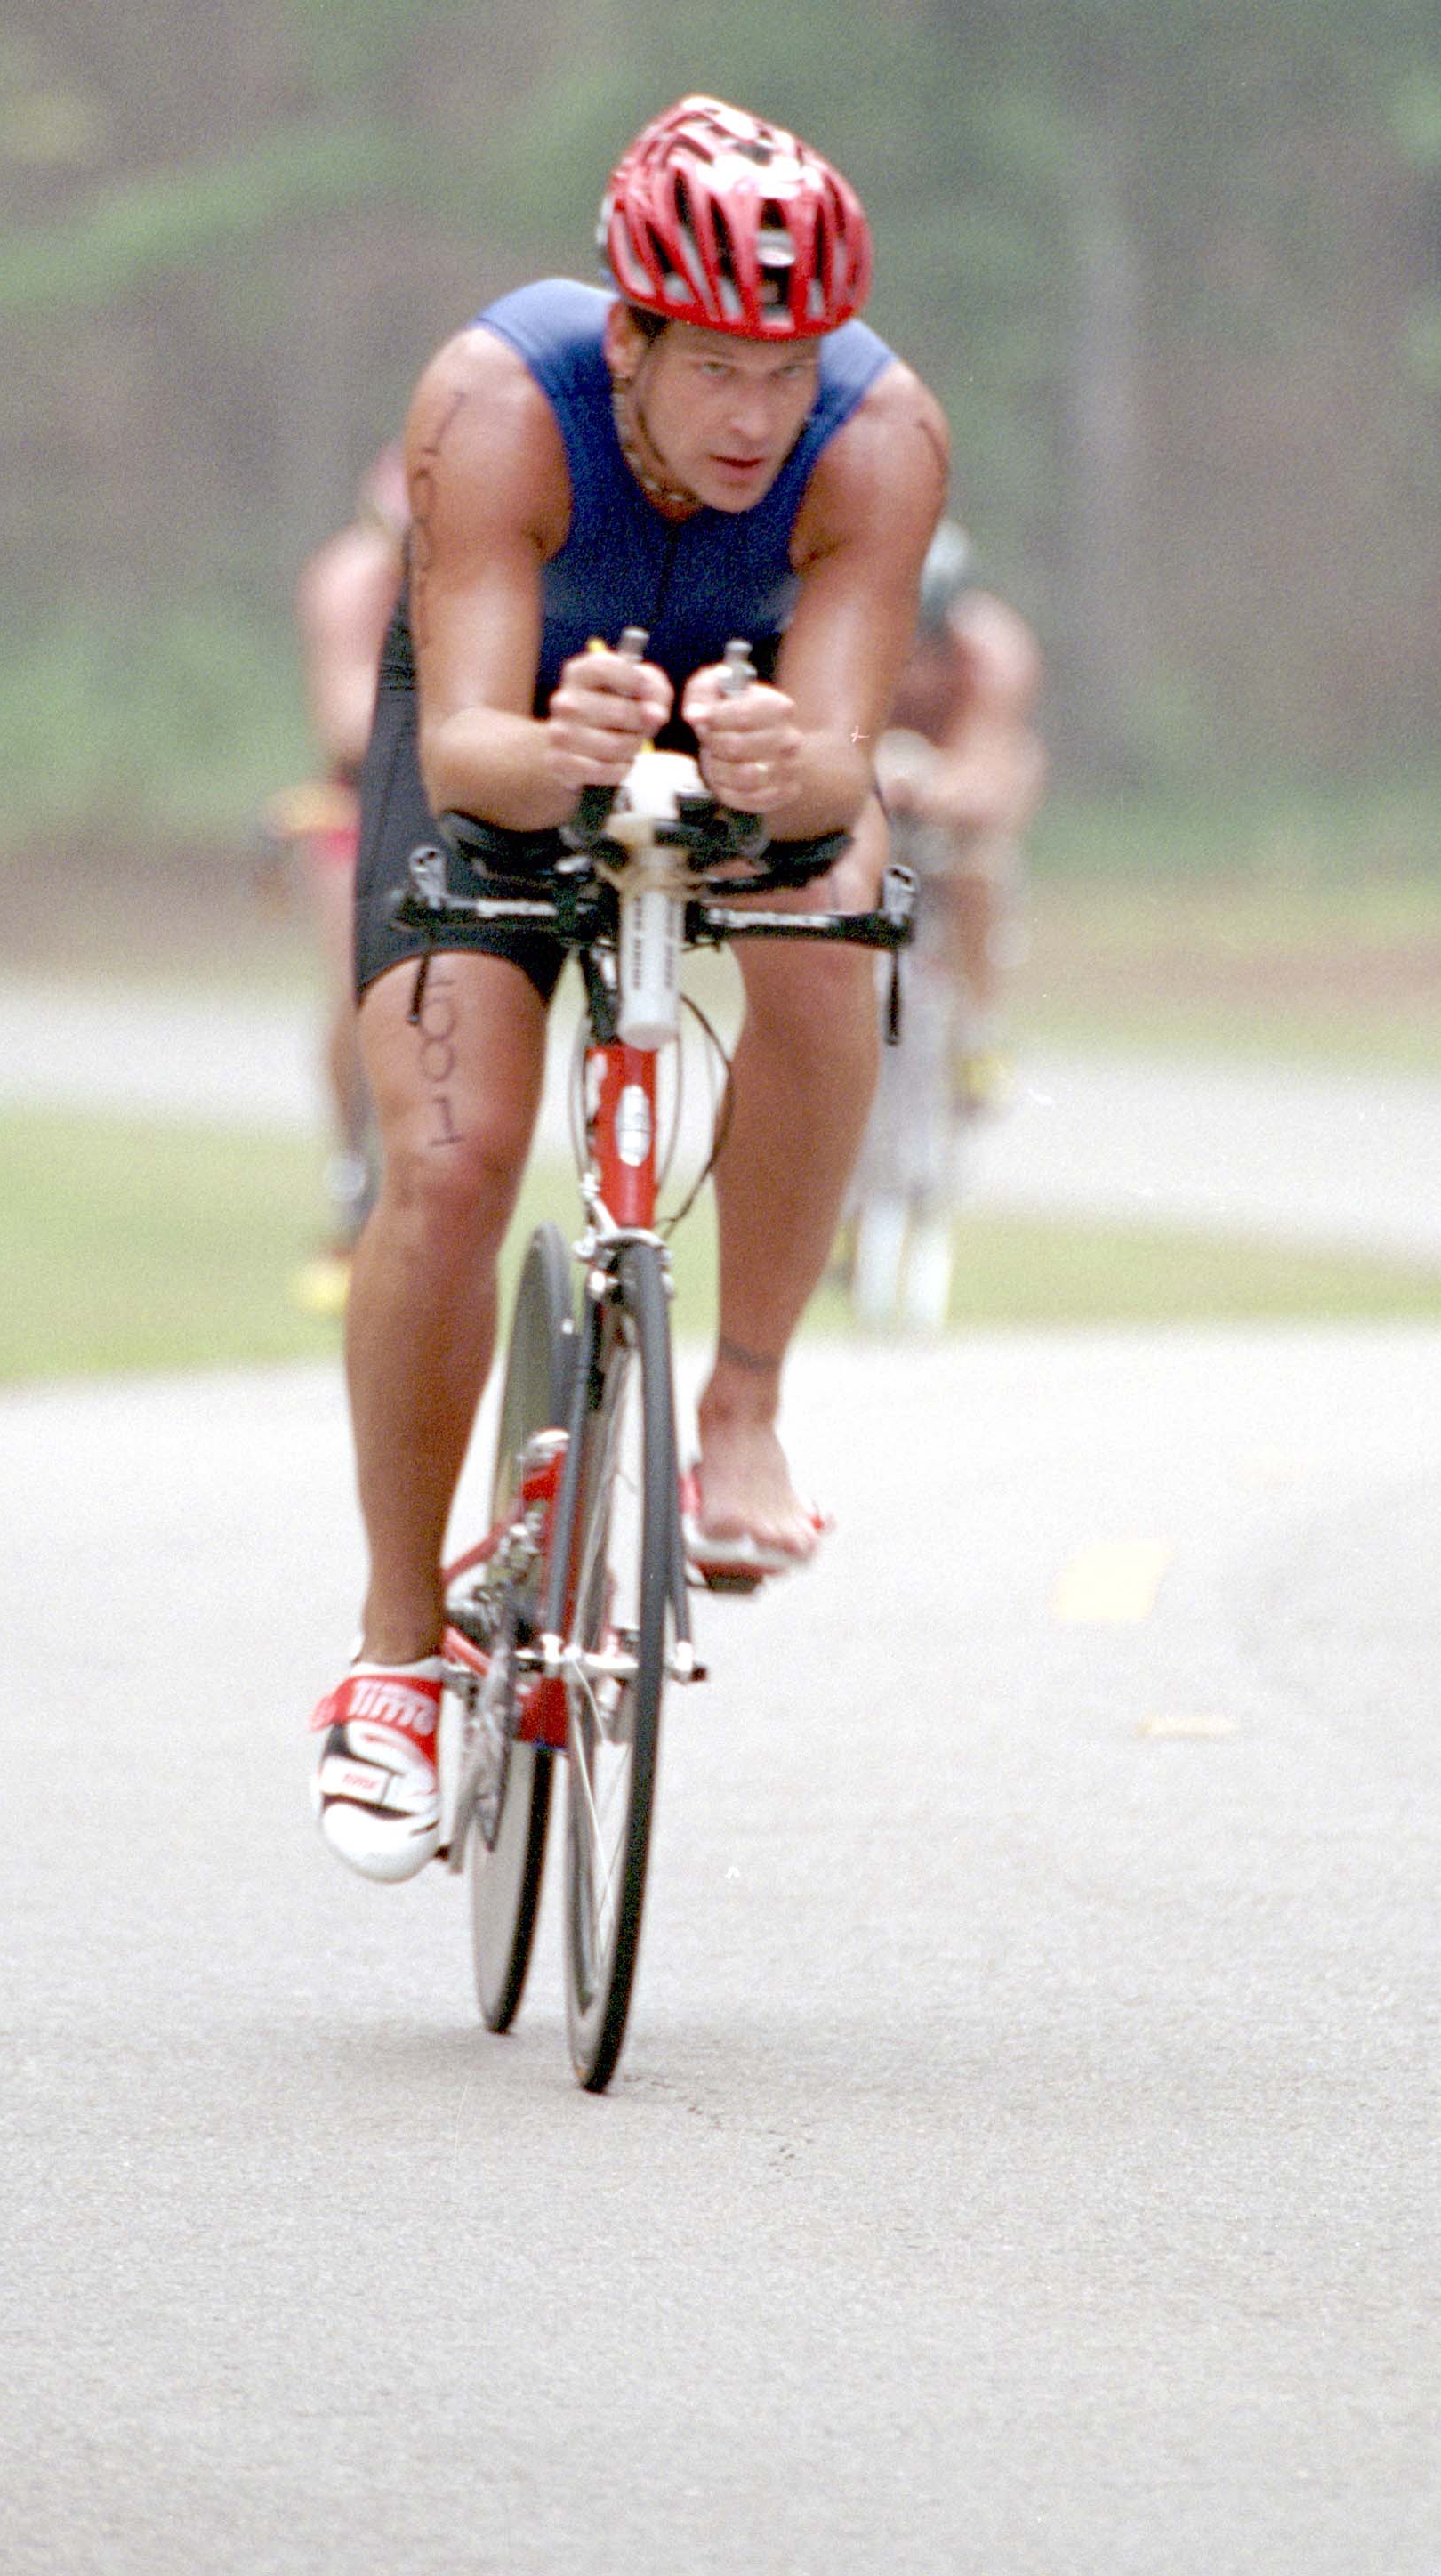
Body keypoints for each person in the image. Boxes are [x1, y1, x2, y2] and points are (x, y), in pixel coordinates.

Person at [311, 94, 948, 1877]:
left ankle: (735, 1405)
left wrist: (782, 761)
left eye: (786, 366)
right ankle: (390, 1656)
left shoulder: (878, 440)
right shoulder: (494, 409)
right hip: (513, 719)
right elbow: (463, 751)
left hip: (748, 719)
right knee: (449, 1147)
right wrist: (561, 746)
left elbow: (835, 776)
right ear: (630, 338)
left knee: (833, 937)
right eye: (714, 370)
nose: (758, 414)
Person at [278, 446, 409, 1295]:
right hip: (358, 801)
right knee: (358, 989)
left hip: (455, 791)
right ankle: (352, 1169)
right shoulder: (346, 580)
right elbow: (348, 728)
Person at [872, 521, 1045, 1106]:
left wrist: (933, 784)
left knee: (979, 862)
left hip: (962, 779)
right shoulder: (852, 633)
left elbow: (993, 758)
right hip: (872, 785)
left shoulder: (993, 649)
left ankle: (979, 1029)